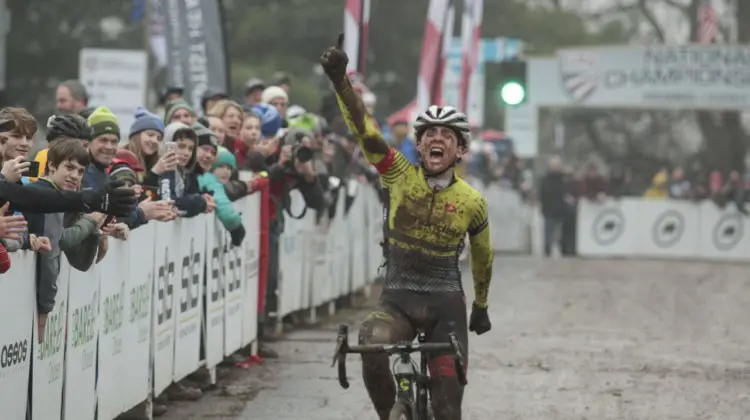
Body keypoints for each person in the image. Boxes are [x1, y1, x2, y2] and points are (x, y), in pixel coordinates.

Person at [320, 34, 493, 420]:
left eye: (446, 135)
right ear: (417, 143)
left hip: (446, 306)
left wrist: (480, 306)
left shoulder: (472, 202)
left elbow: (483, 257)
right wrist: (340, 82)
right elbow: (365, 130)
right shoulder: (398, 174)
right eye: (428, 133)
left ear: (460, 151)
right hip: (397, 299)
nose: (435, 138)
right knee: (370, 341)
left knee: (448, 410)